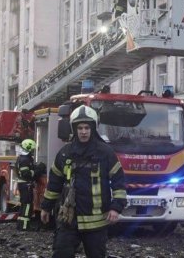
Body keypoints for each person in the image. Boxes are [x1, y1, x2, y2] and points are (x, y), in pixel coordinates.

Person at [40, 105, 127, 258]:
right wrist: (46, 207)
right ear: (74, 129)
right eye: (80, 128)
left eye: (87, 127)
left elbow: (119, 181)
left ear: (93, 128)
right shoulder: (65, 153)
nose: (84, 131)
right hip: (68, 219)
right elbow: (54, 183)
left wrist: (116, 207)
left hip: (97, 223)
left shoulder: (105, 153)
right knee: (61, 254)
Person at [16, 138, 37, 231]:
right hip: (26, 185)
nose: (33, 151)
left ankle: (20, 225)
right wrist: (37, 170)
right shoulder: (25, 159)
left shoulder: (22, 158)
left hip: (23, 184)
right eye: (32, 149)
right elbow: (26, 174)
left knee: (24, 204)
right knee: (27, 205)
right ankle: (25, 226)